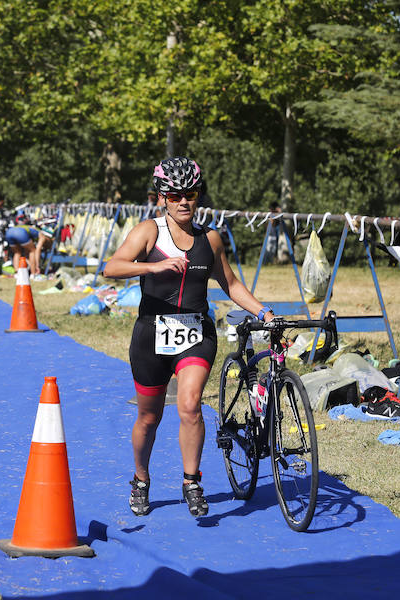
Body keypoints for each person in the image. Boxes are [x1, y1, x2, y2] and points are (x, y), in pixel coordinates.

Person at [104, 156, 276, 518]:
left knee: (190, 404)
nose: (184, 201)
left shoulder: (209, 238)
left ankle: (191, 481)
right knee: (149, 418)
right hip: (151, 333)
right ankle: (140, 478)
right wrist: (154, 265)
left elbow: (229, 283)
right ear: (162, 198)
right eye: (176, 195)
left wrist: (263, 312)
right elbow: (112, 267)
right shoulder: (148, 232)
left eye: (192, 194)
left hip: (196, 333)